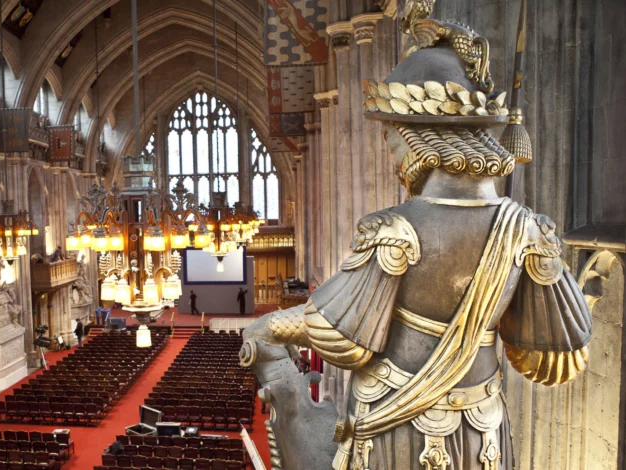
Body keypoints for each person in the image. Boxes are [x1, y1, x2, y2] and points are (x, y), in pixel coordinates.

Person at [238, 5, 593, 469]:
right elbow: (556, 355)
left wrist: (268, 326)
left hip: (403, 426)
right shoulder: (529, 229)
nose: (390, 154)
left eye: (391, 138)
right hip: (483, 426)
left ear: (418, 138)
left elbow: (342, 333)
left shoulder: (394, 231)